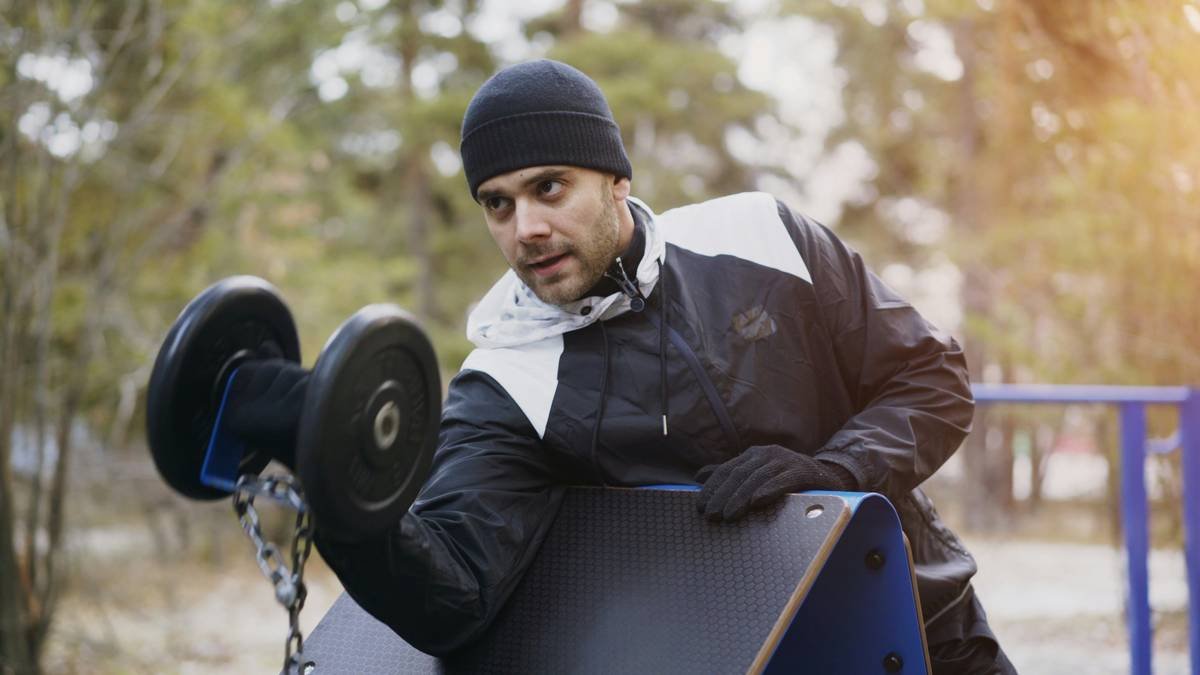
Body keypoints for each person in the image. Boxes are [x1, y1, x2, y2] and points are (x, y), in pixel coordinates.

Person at [236, 59, 1014, 673]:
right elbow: (452, 594)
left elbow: (933, 379)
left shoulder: (762, 236)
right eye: (498, 203)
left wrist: (833, 468)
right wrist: (338, 475)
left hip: (921, 623)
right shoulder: (511, 378)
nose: (525, 228)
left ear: (617, 179)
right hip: (745, 657)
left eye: (548, 187)